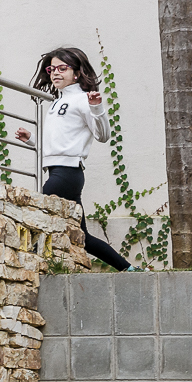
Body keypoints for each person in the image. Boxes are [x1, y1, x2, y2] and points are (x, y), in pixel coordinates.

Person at [16, 47, 138, 272]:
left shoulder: (82, 99)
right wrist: (32, 139)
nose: (55, 73)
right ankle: (128, 269)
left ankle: (26, 269)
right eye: (52, 68)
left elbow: (103, 135)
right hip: (59, 171)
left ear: (77, 73)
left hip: (67, 173)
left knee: (35, 218)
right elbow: (58, 144)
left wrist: (96, 107)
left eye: (63, 68)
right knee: (83, 236)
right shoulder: (56, 102)